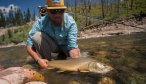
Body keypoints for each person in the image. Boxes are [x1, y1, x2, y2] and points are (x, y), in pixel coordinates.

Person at [26, 0, 80, 69]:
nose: (57, 14)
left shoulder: (71, 22)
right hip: (54, 47)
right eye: (53, 11)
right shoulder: (41, 23)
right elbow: (29, 46)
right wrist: (38, 60)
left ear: (64, 10)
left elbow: (72, 47)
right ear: (47, 11)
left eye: (61, 10)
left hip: (67, 47)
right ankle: (47, 62)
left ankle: (63, 56)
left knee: (76, 57)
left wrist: (75, 61)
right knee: (37, 36)